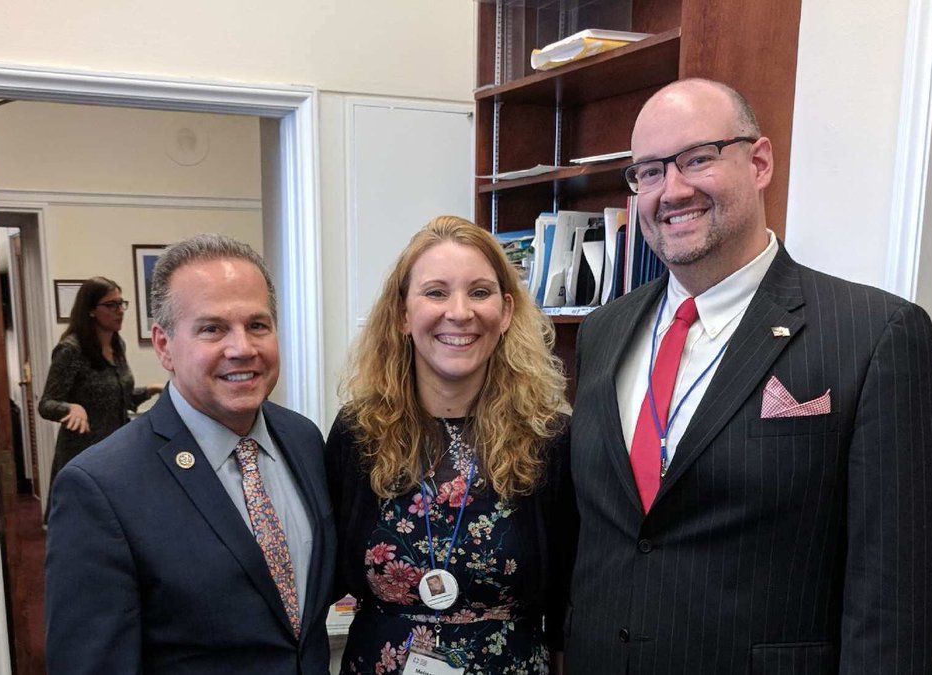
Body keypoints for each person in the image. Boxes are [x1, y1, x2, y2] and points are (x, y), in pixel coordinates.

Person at [565, 79, 932, 674]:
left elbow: (899, 592)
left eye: (697, 159)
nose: (671, 190)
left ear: (760, 162)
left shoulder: (874, 335)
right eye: (648, 172)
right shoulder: (602, 332)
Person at [45, 234, 335, 674]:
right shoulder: (100, 487)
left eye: (258, 325)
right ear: (164, 346)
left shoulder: (304, 439)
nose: (242, 348)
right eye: (212, 328)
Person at [326, 216, 574, 675]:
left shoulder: (549, 437)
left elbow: (565, 596)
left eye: (479, 292)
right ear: (402, 314)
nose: (459, 312)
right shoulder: (359, 433)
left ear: (505, 312)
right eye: (436, 292)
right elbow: (326, 572)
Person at [38, 276, 162, 519]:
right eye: (111, 305)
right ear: (91, 311)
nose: (120, 311)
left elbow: (117, 399)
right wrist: (70, 408)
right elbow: (46, 403)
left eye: (121, 303)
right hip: (83, 454)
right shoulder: (71, 350)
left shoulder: (117, 346)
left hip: (116, 450)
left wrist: (150, 390)